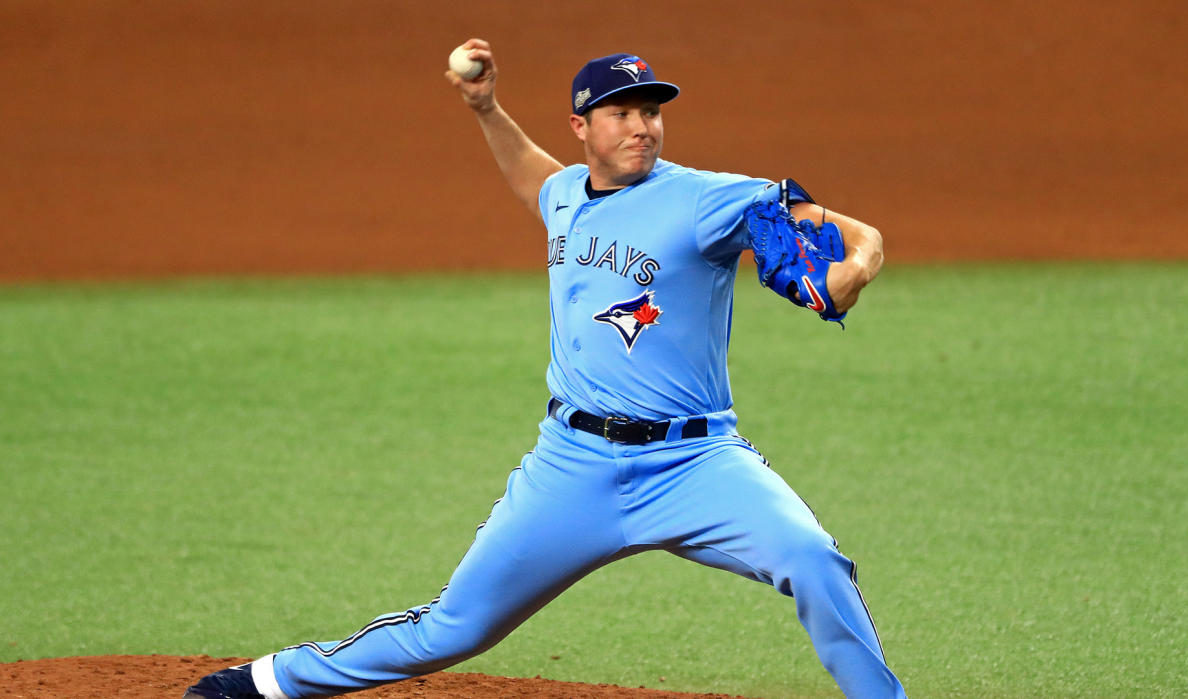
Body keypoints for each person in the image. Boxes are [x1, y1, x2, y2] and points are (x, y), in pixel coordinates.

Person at [185, 39, 904, 699]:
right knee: (453, 628)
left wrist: (858, 266)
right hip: (574, 465)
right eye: (621, 112)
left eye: (651, 112)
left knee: (813, 560)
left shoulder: (705, 200)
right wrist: (487, 109)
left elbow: (855, 232)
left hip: (696, 462)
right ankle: (270, 681)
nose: (642, 127)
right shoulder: (566, 195)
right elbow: (537, 182)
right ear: (581, 127)